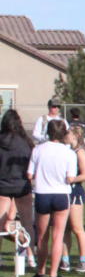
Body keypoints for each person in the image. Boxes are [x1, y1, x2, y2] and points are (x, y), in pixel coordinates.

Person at [27, 119, 80, 277]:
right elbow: (70, 178)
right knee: (58, 236)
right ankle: (54, 273)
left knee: (42, 236)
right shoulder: (69, 153)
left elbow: (30, 174)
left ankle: (41, 271)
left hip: (42, 194)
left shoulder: (38, 150)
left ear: (48, 132)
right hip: (61, 194)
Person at [0, 110, 34, 267]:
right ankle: (30, 256)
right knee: (27, 223)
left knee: (0, 223)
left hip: (3, 185)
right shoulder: (26, 142)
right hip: (22, 185)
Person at [60, 124, 85, 273]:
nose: (64, 136)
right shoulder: (67, 151)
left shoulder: (80, 152)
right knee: (64, 229)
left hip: (75, 193)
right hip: (64, 193)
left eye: (67, 133)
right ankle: (65, 261)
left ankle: (83, 261)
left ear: (74, 136)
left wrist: (71, 179)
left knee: (77, 228)